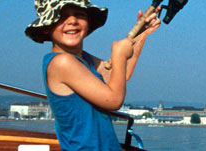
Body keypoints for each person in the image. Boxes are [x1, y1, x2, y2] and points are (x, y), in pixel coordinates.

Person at [24, 0, 160, 150]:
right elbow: (113, 100)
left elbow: (120, 75)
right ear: (46, 28)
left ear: (88, 24)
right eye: (61, 17)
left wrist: (141, 34)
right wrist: (119, 55)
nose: (72, 21)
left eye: (79, 15)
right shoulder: (62, 63)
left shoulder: (83, 59)